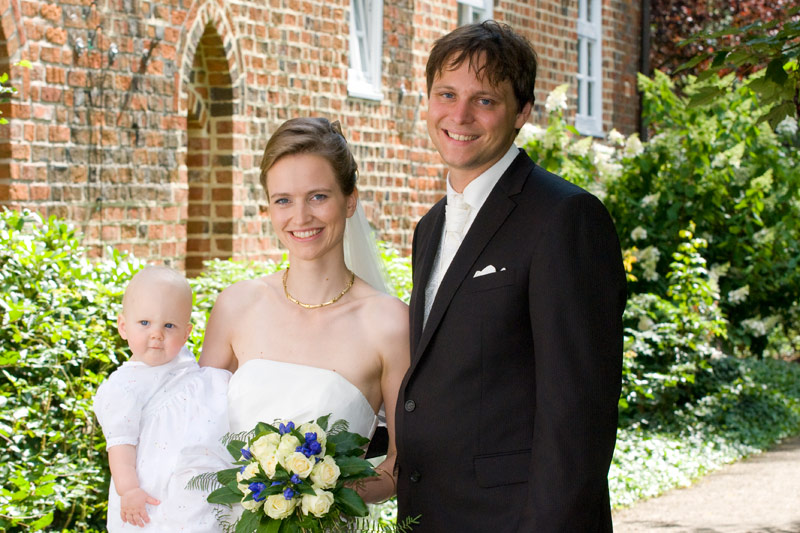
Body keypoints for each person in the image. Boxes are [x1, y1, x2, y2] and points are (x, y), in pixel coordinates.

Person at [394, 21, 627, 531]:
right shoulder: (429, 228)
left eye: (484, 100)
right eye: (447, 94)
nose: (459, 115)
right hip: (432, 515)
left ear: (522, 112)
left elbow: (578, 414)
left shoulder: (565, 217)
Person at [199, 117, 409, 504]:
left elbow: (401, 461)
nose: (300, 217)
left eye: (318, 197)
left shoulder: (388, 323)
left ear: (349, 200)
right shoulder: (236, 306)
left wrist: (327, 496)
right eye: (283, 200)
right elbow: (196, 439)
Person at [93, 266, 230, 532]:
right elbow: (120, 445)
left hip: (189, 479)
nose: (157, 334)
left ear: (186, 333)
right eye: (144, 323)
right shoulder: (123, 386)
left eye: (169, 325)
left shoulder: (185, 367)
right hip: (148, 490)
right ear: (123, 327)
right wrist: (128, 489)